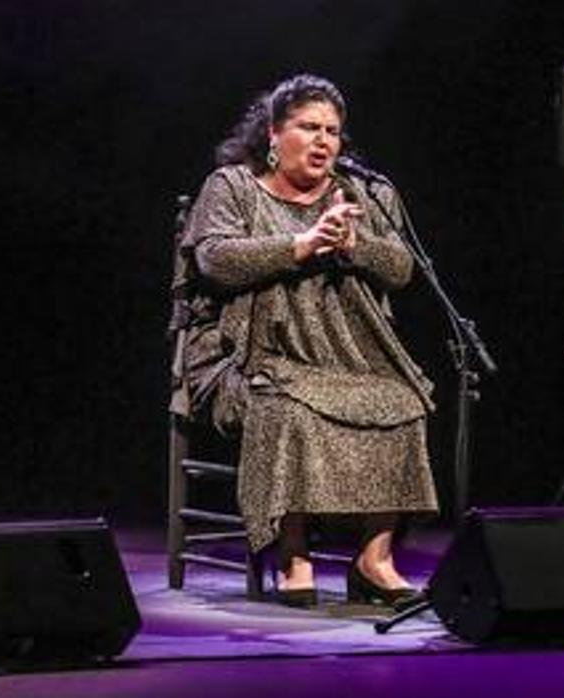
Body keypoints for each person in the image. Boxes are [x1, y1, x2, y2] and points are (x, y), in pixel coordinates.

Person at [177, 74, 438, 608]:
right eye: (308, 127)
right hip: (247, 353)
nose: (324, 140)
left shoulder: (364, 193)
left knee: (403, 401)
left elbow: (402, 269)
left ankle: (375, 559)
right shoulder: (232, 186)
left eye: (333, 131)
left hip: (347, 351)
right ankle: (293, 554)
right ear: (273, 133)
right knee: (290, 406)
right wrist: (302, 243)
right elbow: (215, 259)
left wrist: (354, 243)